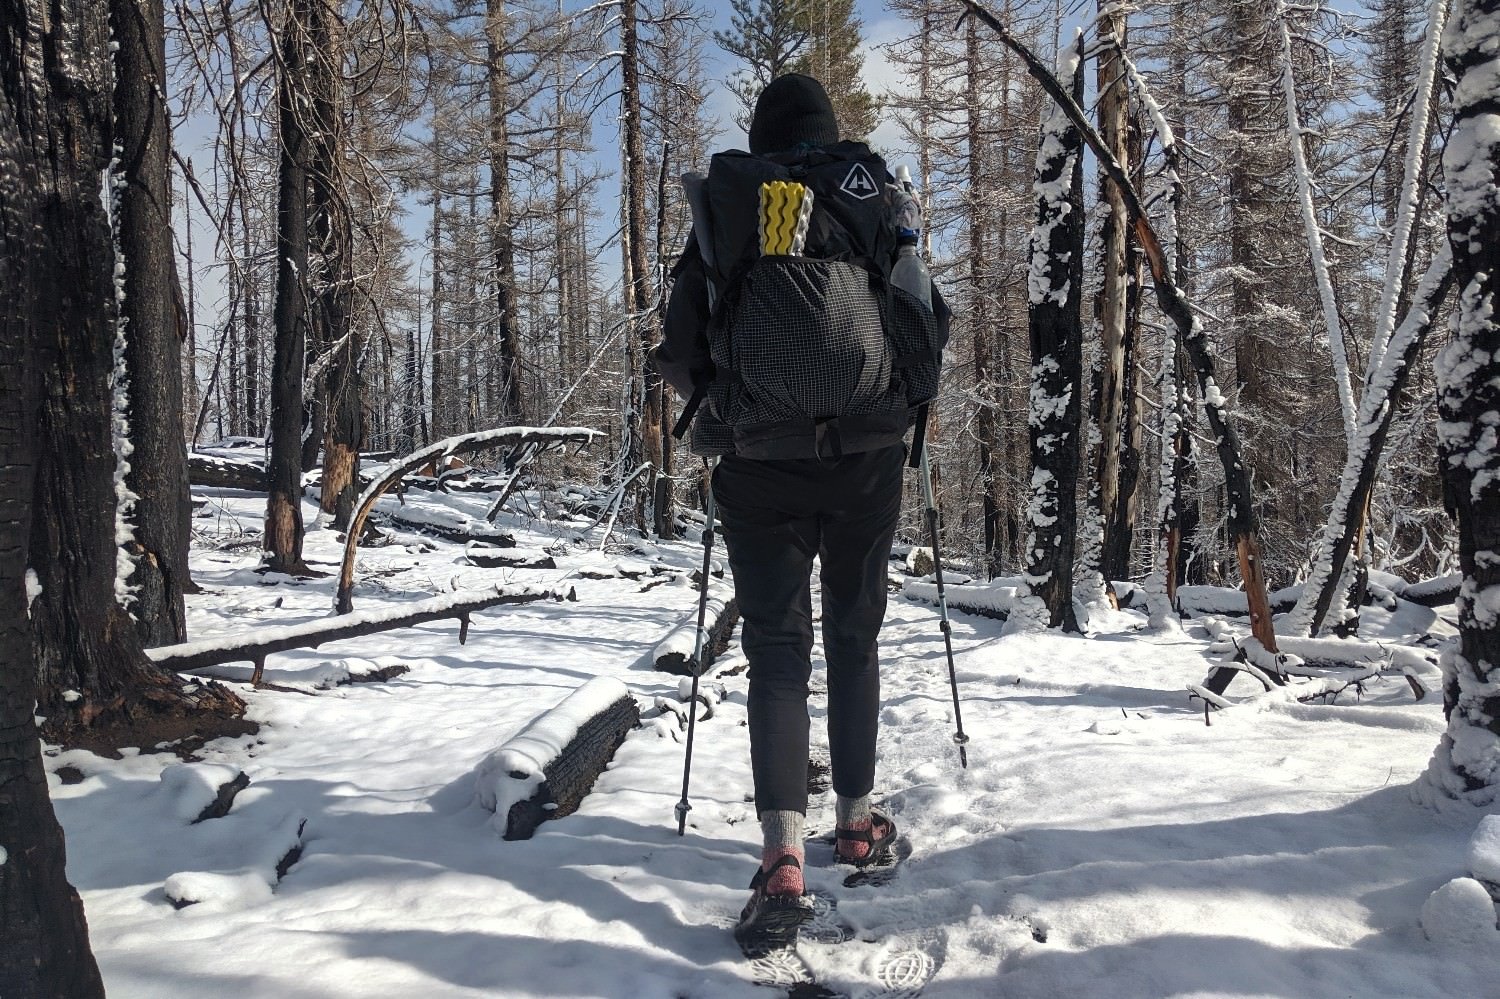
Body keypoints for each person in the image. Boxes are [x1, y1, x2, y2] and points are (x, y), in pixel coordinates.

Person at [654, 74, 950, 954]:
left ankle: (783, 857)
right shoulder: (873, 198)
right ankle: (857, 825)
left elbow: (680, 348)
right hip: (866, 456)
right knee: (855, 636)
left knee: (778, 653)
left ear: (762, 134)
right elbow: (926, 321)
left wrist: (718, 415)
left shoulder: (731, 207)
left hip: (760, 462)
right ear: (827, 131)